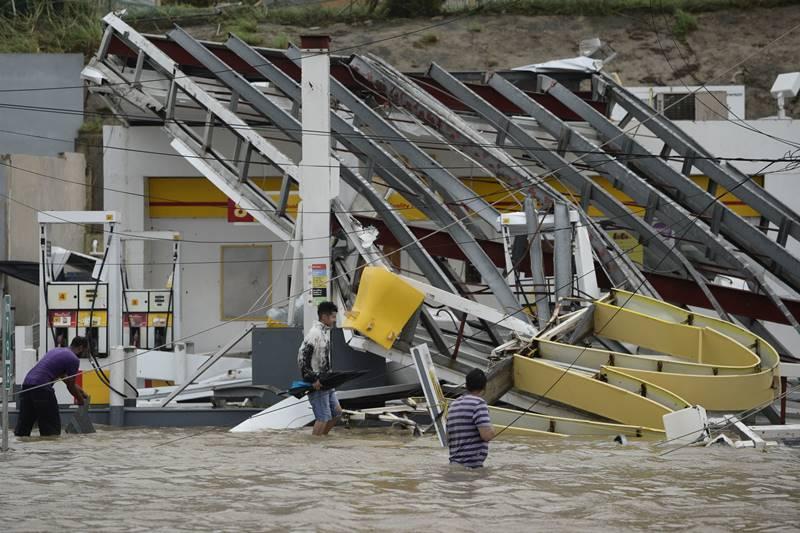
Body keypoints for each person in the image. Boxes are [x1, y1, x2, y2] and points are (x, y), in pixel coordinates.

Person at [15, 336, 90, 437]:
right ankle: (49, 451)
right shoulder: (73, 359)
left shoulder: (56, 351)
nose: (85, 354)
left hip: (27, 385)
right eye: (85, 351)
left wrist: (82, 392)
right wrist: (81, 402)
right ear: (81, 348)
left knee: (23, 427)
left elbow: (65, 379)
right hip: (42, 388)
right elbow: (71, 387)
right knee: (51, 431)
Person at [297, 301, 341, 436]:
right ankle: (315, 445)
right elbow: (302, 359)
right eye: (332, 317)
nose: (334, 320)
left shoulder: (324, 333)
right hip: (317, 383)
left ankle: (322, 440)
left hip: (327, 381)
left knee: (337, 413)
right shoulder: (314, 334)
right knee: (323, 418)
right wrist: (312, 379)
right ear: (324, 317)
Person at [446, 368, 495, 468]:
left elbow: (447, 437)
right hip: (470, 468)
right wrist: (492, 430)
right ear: (484, 386)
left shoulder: (453, 405)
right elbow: (487, 436)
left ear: (466, 385)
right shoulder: (479, 404)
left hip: (454, 465)